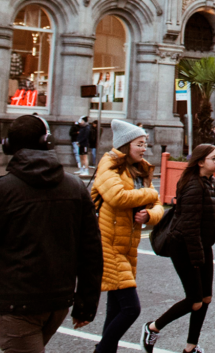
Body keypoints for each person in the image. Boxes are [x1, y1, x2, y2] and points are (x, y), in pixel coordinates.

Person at [0, 115, 103, 351]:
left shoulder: (3, 190)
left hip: (20, 305)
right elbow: (91, 249)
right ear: (48, 143)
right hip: (59, 303)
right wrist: (86, 303)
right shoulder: (75, 187)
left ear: (8, 146)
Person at [141, 144, 215, 353]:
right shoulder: (193, 186)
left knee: (206, 298)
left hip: (201, 246)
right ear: (200, 162)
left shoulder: (213, 183)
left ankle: (191, 347)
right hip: (183, 247)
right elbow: (189, 228)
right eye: (214, 158)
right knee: (195, 300)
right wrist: (198, 259)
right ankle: (152, 328)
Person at [92, 120, 164, 353]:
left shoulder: (141, 169)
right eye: (139, 144)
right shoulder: (109, 165)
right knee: (131, 309)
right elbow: (118, 197)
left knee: (115, 308)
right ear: (125, 144)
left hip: (128, 245)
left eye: (145, 144)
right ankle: (101, 350)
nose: (144, 149)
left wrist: (149, 216)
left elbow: (158, 206)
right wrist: (149, 192)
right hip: (108, 243)